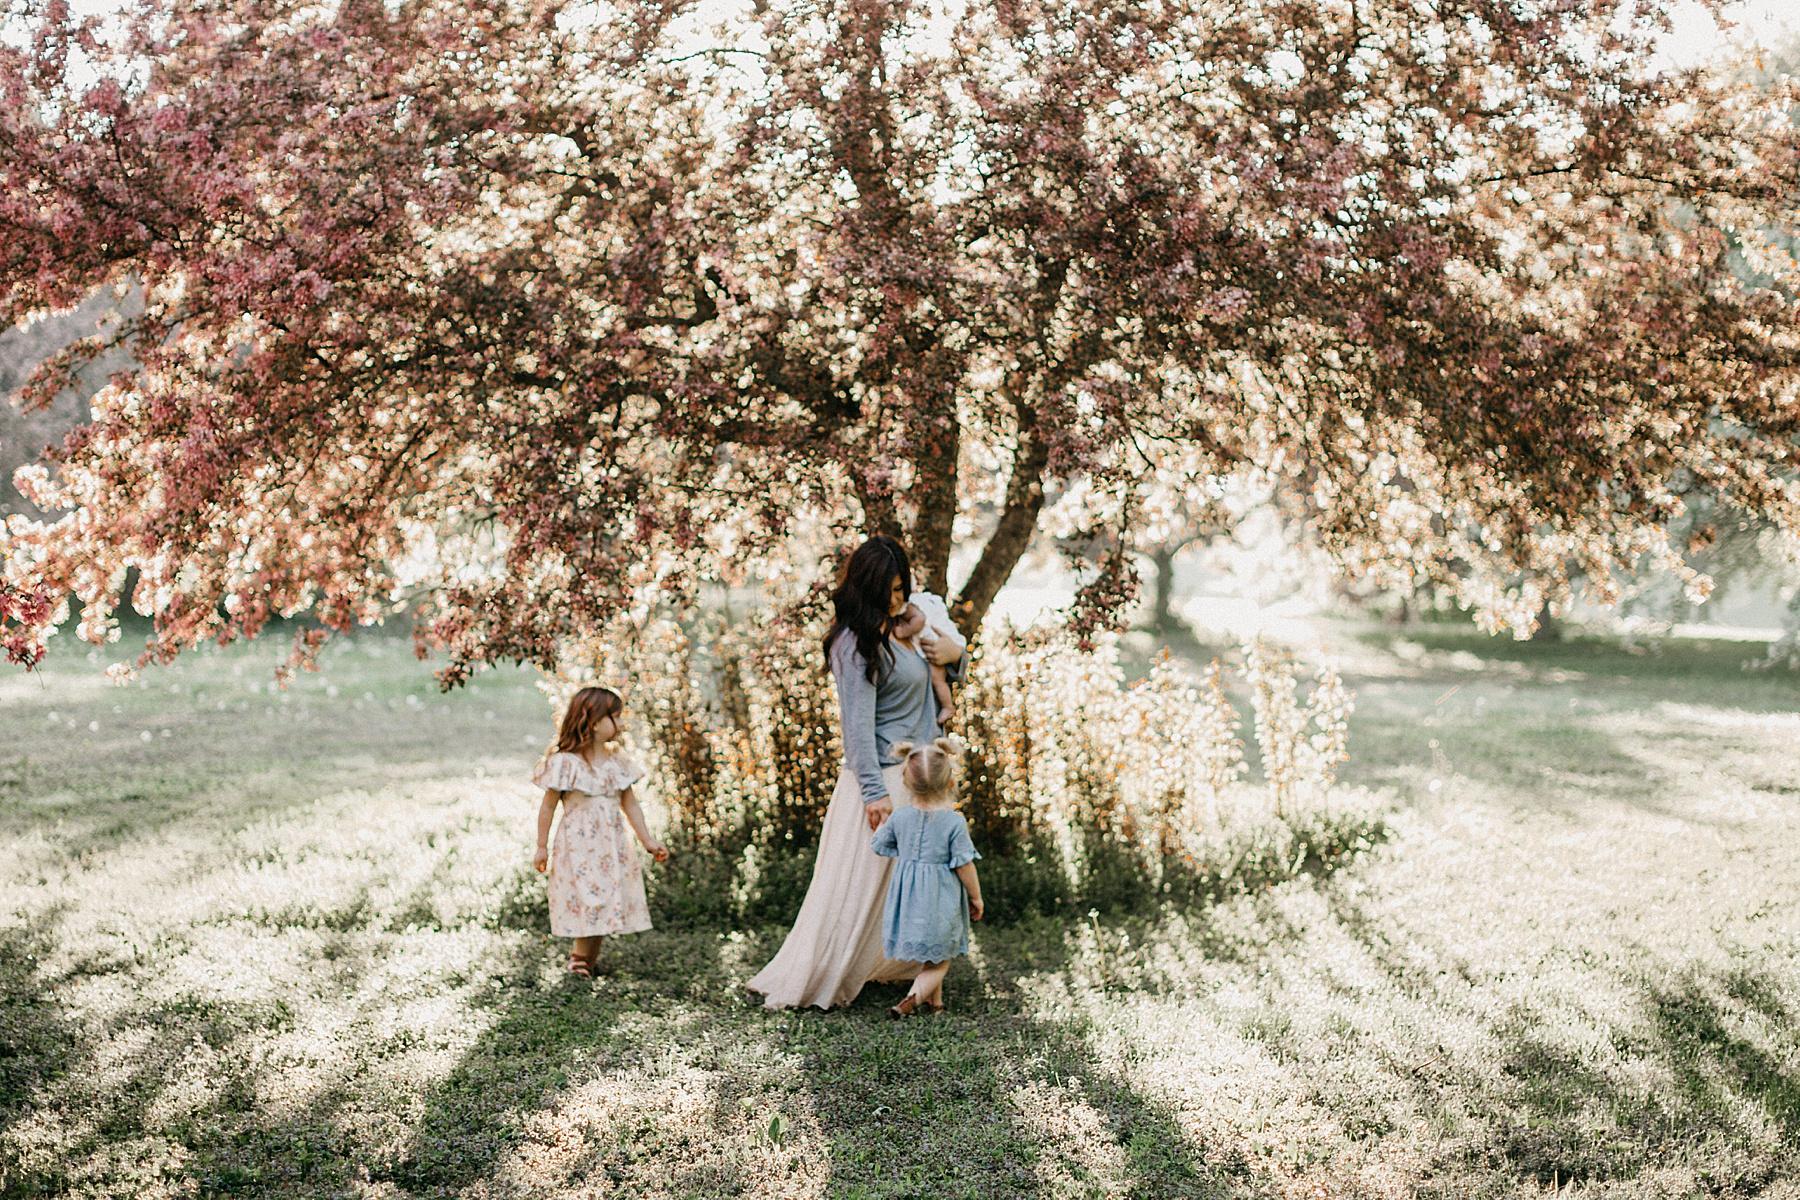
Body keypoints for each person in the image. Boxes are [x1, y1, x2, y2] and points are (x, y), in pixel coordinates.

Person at [745, 535, 968, 1010]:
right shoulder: (854, 644)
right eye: (888, 590)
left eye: (902, 586)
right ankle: (822, 972)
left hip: (920, 778)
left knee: (909, 884)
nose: (898, 597)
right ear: (866, 590)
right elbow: (857, 729)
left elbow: (943, 675)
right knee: (856, 892)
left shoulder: (905, 628)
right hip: (882, 780)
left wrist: (957, 658)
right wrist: (873, 794)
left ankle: (901, 966)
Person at [531, 686, 670, 978]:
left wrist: (647, 840)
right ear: (593, 722)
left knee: (606, 895)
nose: (621, 724)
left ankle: (587, 960)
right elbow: (548, 807)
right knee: (587, 896)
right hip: (579, 844)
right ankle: (579, 959)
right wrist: (541, 846)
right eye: (615, 717)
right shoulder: (565, 762)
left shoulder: (616, 761)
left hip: (611, 844)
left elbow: (629, 803)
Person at [870, 737, 983, 1017]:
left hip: (908, 900)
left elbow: (879, 845)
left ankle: (936, 1004)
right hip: (940, 899)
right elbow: (965, 865)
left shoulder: (900, 817)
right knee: (941, 960)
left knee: (934, 954)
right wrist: (976, 896)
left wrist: (886, 825)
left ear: (906, 781)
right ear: (949, 782)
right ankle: (910, 1001)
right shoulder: (953, 822)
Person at [889, 589, 958, 727]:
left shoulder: (909, 604)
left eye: (898, 588)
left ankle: (948, 706)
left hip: (931, 644)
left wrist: (903, 631)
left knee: (938, 680)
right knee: (938, 680)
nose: (892, 599)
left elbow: (920, 620)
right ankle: (947, 706)